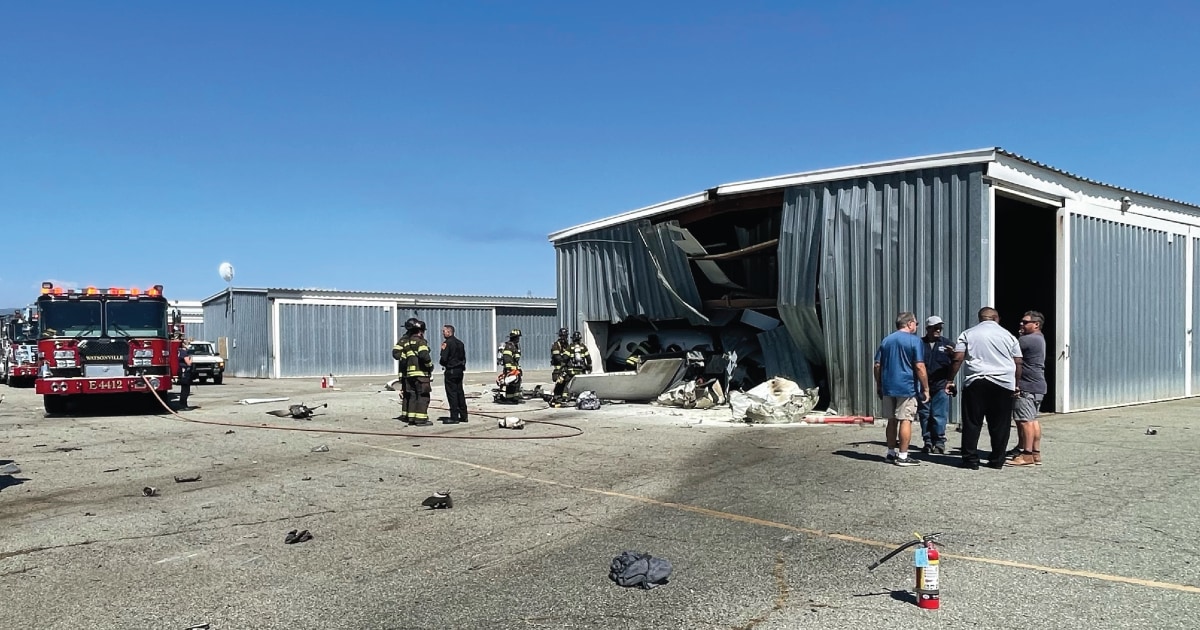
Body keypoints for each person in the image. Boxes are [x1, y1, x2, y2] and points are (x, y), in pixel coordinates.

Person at [945, 307, 1023, 470]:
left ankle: (970, 460)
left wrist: (950, 380)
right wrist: (1016, 384)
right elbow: (1018, 362)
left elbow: (958, 358)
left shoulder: (967, 334)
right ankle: (997, 460)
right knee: (1000, 424)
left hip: (976, 381)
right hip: (1003, 382)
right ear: (996, 318)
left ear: (980, 318)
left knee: (972, 422)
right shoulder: (1009, 336)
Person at [873, 312, 930, 467]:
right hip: (907, 387)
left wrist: (879, 384)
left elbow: (877, 365)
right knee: (906, 419)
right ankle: (903, 456)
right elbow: (919, 366)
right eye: (916, 324)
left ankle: (890, 453)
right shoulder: (914, 341)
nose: (916, 326)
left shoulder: (886, 340)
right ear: (910, 323)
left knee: (891, 421)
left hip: (888, 386)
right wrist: (925, 388)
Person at [1008, 311, 1046, 466]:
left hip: (1027, 386)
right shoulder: (1039, 338)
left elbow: (1009, 352)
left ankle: (1027, 455)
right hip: (1038, 385)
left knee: (1025, 421)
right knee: (1033, 420)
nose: (1021, 324)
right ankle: (1035, 453)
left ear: (1036, 324)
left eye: (1025, 322)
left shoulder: (1027, 340)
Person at [918, 316, 955, 454]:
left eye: (940, 327)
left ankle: (939, 442)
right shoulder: (919, 343)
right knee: (925, 414)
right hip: (923, 385)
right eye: (935, 327)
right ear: (928, 328)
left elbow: (957, 362)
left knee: (939, 415)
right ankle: (927, 442)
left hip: (940, 385)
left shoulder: (947, 344)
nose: (938, 329)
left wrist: (952, 355)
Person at [393, 318, 435, 426]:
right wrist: (430, 366)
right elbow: (424, 356)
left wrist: (405, 360)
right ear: (420, 331)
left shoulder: (406, 342)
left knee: (411, 396)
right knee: (422, 396)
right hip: (420, 374)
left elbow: (398, 354)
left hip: (409, 374)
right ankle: (420, 419)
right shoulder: (419, 341)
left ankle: (411, 417)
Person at [552, 331, 593, 402]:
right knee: (582, 384)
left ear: (573, 339)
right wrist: (589, 366)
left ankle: (565, 397)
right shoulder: (583, 347)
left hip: (571, 371)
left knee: (567, 383)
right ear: (580, 338)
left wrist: (563, 366)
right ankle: (581, 396)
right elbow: (588, 358)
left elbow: (565, 358)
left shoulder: (570, 347)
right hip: (581, 371)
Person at [439, 324, 467, 424]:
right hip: (459, 371)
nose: (442, 333)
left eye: (444, 331)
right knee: (460, 392)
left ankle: (454, 417)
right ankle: (464, 416)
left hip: (451, 371)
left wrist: (442, 358)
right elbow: (463, 358)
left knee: (452, 394)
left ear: (449, 332)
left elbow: (443, 359)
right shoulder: (460, 343)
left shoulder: (447, 343)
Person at [495, 328, 522, 404]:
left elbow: (516, 358)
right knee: (512, 384)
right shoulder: (509, 346)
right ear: (514, 338)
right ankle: (510, 398)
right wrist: (509, 369)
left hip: (515, 368)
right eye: (517, 337)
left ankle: (514, 398)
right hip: (511, 369)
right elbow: (507, 358)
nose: (518, 339)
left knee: (516, 383)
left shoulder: (515, 346)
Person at [550, 327, 570, 394]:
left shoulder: (567, 345)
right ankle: (558, 395)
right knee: (560, 383)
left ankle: (566, 395)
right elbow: (557, 357)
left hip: (566, 368)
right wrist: (564, 362)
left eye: (565, 336)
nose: (563, 338)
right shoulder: (556, 345)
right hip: (558, 370)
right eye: (562, 336)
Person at [176, 340, 194, 410]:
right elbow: (188, 363)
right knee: (186, 390)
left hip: (181, 371)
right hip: (185, 372)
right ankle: (183, 405)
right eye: (187, 343)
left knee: (184, 389)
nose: (188, 345)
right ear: (183, 344)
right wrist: (191, 357)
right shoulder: (183, 352)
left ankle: (182, 404)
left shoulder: (179, 351)